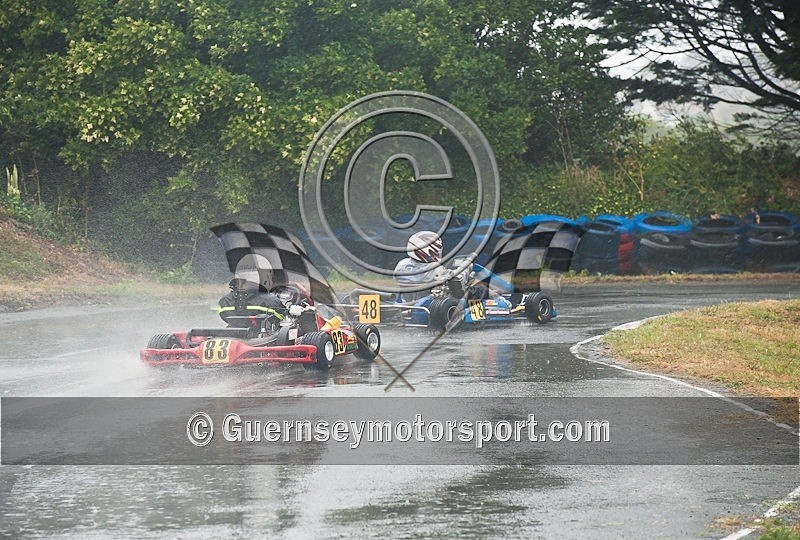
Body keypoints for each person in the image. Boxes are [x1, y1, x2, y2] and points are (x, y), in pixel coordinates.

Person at [216, 277, 286, 331]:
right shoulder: (271, 301)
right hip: (263, 340)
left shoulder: (224, 300)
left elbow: (223, 315)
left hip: (232, 336)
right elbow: (282, 318)